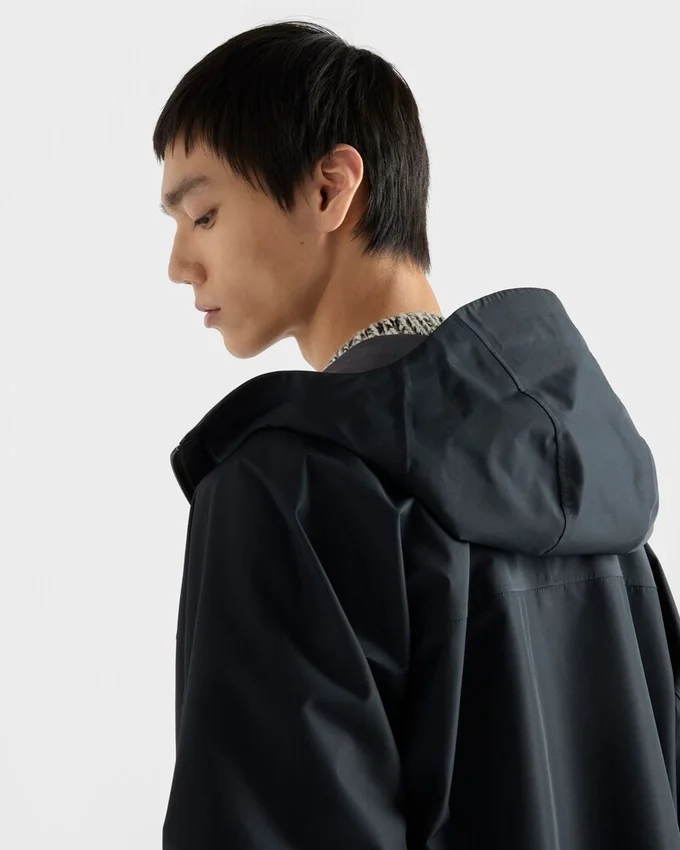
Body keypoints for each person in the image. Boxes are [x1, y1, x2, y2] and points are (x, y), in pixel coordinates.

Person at [153, 20, 680, 850]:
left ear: (329, 189)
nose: (178, 263)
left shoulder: (288, 489)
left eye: (204, 214)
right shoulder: (603, 493)